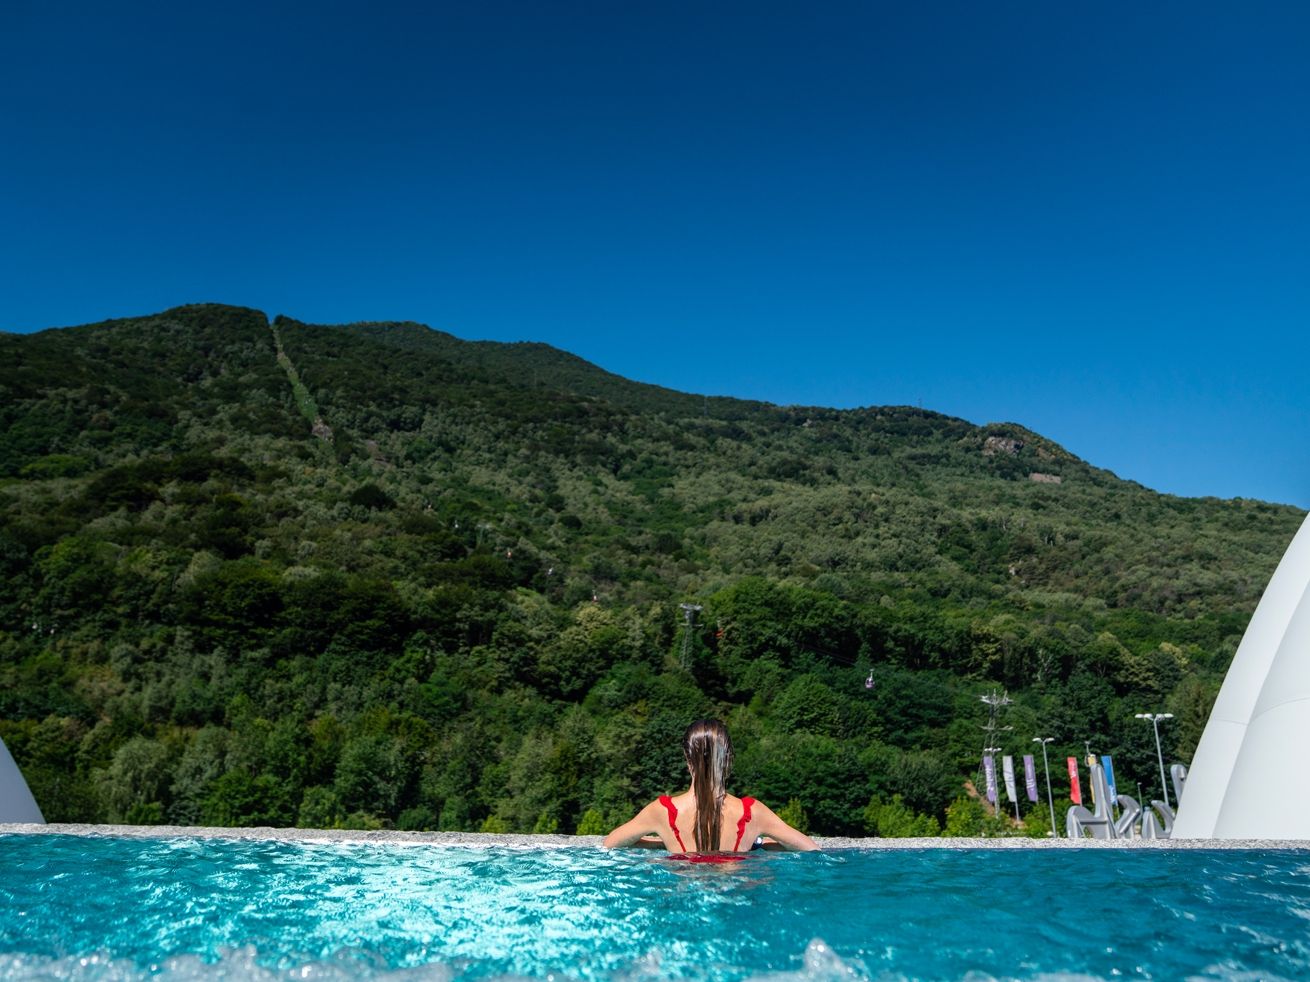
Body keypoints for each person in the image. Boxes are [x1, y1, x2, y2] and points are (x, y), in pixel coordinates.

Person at [602, 719, 819, 856]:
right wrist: (757, 843)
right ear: (727, 759)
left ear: (687, 758)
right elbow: (810, 849)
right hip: (732, 900)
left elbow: (611, 844)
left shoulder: (663, 811)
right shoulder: (750, 812)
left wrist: (663, 842)